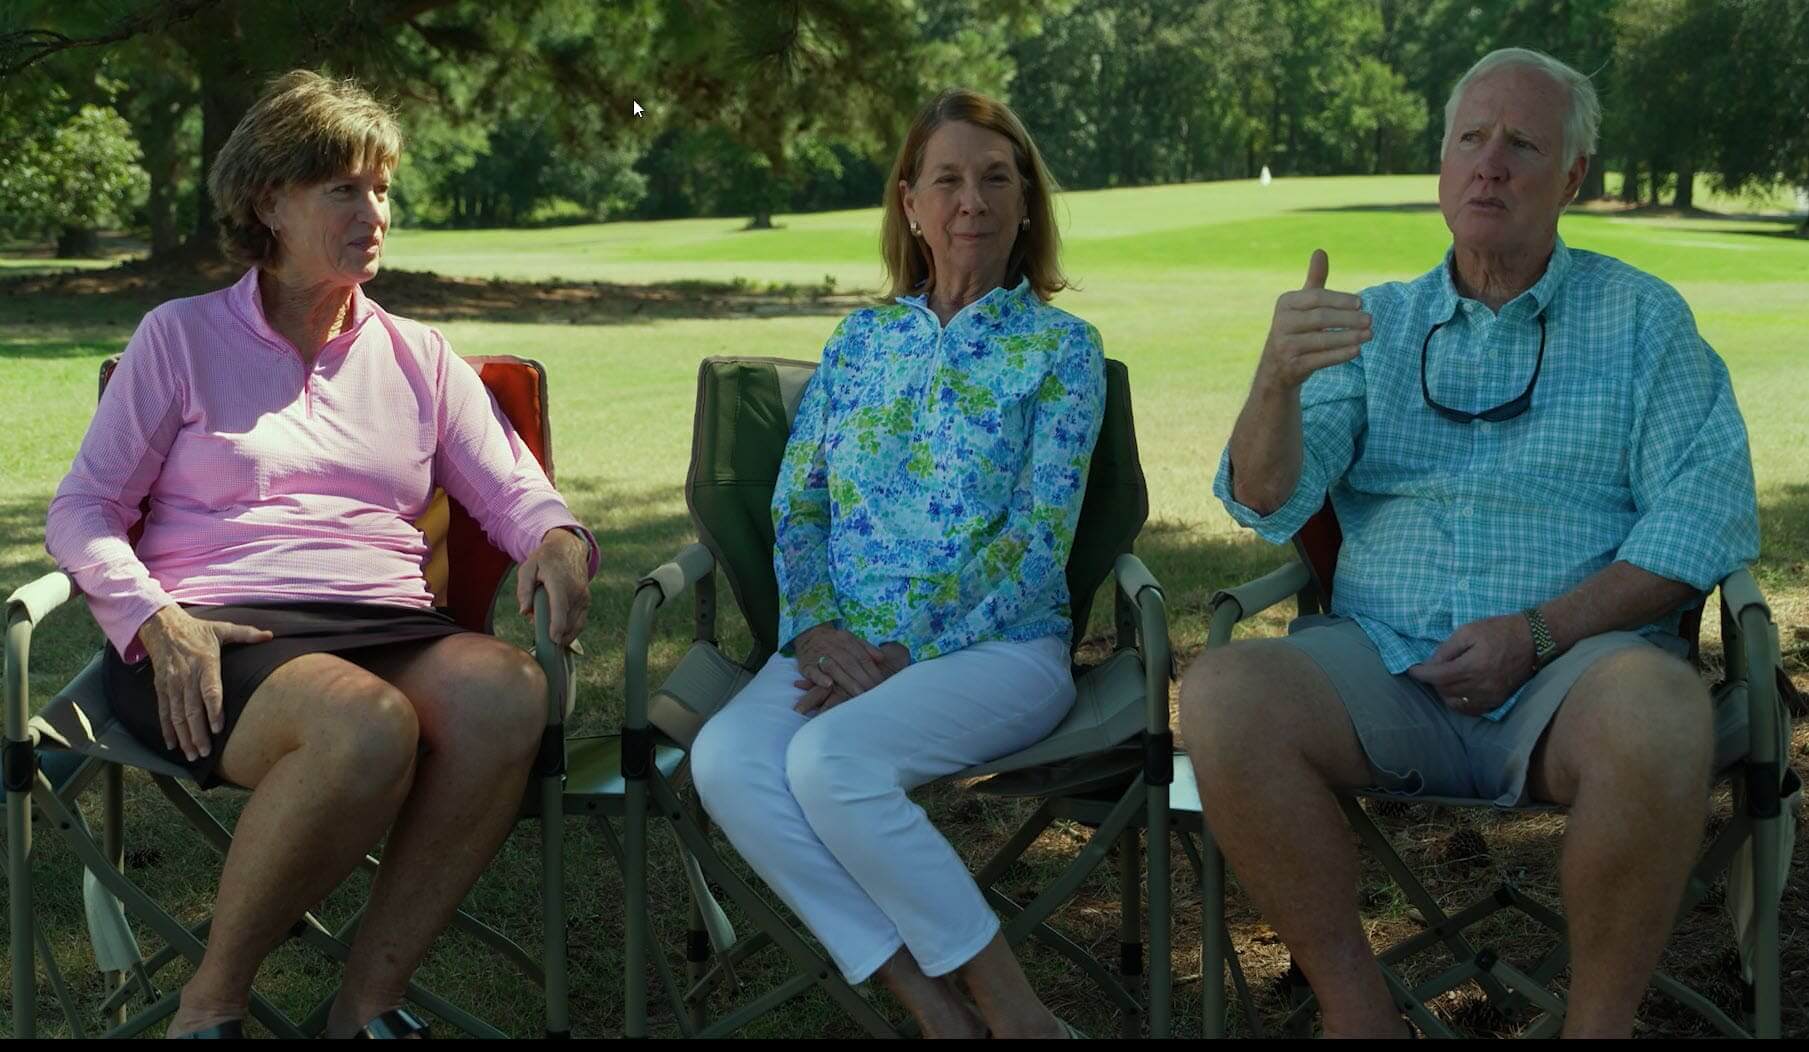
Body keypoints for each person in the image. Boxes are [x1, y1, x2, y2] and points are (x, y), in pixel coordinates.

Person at [1180, 47, 1759, 1038]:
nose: (1490, 163)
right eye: (1470, 139)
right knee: (1223, 692)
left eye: (1522, 143)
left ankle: (1596, 1026)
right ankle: (1360, 1013)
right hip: (1381, 667)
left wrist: (1538, 631)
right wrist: (1273, 381)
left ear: (1572, 176)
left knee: (1662, 710)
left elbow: (1701, 519)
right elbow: (1268, 495)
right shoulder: (1379, 322)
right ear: (1442, 167)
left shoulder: (1643, 322)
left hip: (1575, 675)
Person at [45, 71, 597, 1040]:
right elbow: (85, 508)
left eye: (382, 188)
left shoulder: (419, 353)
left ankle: (364, 1005)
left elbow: (515, 489)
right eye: (344, 188)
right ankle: (209, 1007)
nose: (374, 212)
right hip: (211, 631)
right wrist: (150, 618)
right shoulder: (177, 338)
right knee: (367, 724)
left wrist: (555, 537)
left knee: (511, 688)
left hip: (381, 621)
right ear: (269, 199)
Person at [687, 89, 1105, 1039]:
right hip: (840, 647)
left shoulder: (1061, 349)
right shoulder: (859, 343)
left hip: (996, 649)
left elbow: (1038, 537)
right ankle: (931, 1006)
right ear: (909, 203)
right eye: (948, 179)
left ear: (1026, 203)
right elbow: (799, 502)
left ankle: (1017, 1013)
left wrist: (902, 651)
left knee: (832, 764)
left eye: (997, 179)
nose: (973, 201)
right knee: (729, 759)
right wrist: (817, 628)